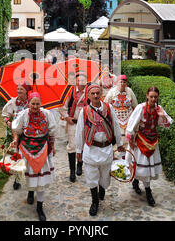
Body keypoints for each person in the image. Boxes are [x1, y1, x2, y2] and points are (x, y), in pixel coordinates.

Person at [75, 83, 125, 216]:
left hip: (106, 149)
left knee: (105, 177)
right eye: (93, 93)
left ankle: (102, 189)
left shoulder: (108, 108)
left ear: (101, 94)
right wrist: (78, 151)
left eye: (98, 93)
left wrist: (119, 143)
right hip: (90, 149)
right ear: (89, 96)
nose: (96, 95)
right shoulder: (84, 112)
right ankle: (94, 201)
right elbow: (79, 131)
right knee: (91, 177)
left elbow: (115, 125)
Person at [10, 92, 57, 221]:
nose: (35, 106)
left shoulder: (47, 114)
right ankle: (30, 192)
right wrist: (15, 140)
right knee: (30, 175)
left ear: (40, 104)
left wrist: (52, 147)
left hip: (42, 148)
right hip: (26, 149)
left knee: (41, 178)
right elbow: (17, 131)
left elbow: (52, 132)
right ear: (29, 103)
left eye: (37, 104)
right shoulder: (23, 115)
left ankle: (39, 207)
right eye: (32, 103)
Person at [125, 86, 173, 207]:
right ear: (147, 96)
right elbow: (132, 123)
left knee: (145, 165)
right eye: (151, 96)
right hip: (140, 139)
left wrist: (162, 115)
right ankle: (147, 190)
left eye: (155, 97)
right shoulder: (141, 108)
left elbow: (167, 124)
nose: (153, 99)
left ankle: (138, 183)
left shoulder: (159, 109)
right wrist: (129, 138)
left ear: (158, 97)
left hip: (152, 140)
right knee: (141, 163)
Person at [59, 71, 88, 182]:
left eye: (83, 80)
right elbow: (62, 106)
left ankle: (80, 165)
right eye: (79, 80)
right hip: (73, 123)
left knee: (84, 144)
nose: (81, 82)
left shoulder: (90, 92)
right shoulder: (69, 92)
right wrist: (66, 117)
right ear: (76, 81)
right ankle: (72, 171)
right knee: (72, 146)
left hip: (86, 123)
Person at [2, 82, 31, 190]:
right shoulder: (13, 102)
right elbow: (5, 114)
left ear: (26, 91)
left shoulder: (30, 102)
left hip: (28, 132)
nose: (19, 91)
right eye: (18, 89)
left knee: (27, 154)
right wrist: (8, 122)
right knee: (17, 154)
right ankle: (17, 178)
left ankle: (29, 174)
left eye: (21, 89)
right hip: (15, 132)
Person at [103, 75, 138, 153]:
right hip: (116, 118)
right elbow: (105, 105)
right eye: (120, 82)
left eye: (124, 82)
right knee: (117, 138)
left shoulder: (130, 91)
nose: (122, 84)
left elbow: (135, 106)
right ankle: (116, 159)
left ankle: (128, 158)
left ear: (126, 83)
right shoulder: (112, 91)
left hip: (128, 118)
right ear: (117, 83)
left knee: (128, 139)